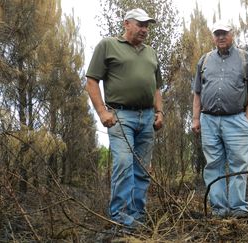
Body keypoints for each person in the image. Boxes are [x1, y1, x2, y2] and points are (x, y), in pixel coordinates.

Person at [85, 8, 164, 228]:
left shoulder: (151, 52)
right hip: (120, 116)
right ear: (126, 23)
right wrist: (102, 112)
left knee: (142, 168)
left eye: (147, 25)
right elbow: (91, 81)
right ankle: (119, 217)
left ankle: (137, 216)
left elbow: (158, 88)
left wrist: (160, 112)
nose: (144, 29)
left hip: (147, 117)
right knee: (123, 163)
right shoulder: (108, 45)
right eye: (140, 24)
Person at [191, 20, 248, 218]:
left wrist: (246, 120)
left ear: (232, 34)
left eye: (224, 33)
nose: (221, 37)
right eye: (217, 33)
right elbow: (197, 92)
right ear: (213, 37)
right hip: (209, 120)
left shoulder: (244, 58)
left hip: (236, 119)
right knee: (213, 164)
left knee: (239, 164)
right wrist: (196, 119)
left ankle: (239, 208)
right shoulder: (204, 60)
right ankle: (219, 209)